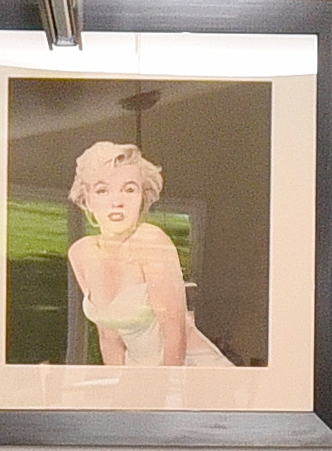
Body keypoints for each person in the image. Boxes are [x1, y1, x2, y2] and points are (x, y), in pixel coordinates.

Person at [61, 135, 227, 382]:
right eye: (102, 190)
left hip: (191, 373)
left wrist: (161, 394)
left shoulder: (151, 241)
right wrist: (122, 389)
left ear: (142, 197)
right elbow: (109, 336)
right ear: (87, 200)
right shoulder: (81, 252)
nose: (117, 202)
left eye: (129, 189)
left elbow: (175, 335)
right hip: (139, 374)